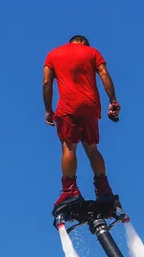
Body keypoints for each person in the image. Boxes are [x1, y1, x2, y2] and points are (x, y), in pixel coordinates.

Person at [43, 35, 121, 209]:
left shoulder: (53, 54)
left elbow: (47, 83)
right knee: (92, 149)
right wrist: (113, 101)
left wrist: (48, 110)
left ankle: (70, 191)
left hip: (68, 107)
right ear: (84, 42)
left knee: (69, 147)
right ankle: (104, 189)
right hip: (90, 107)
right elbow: (104, 74)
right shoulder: (92, 52)